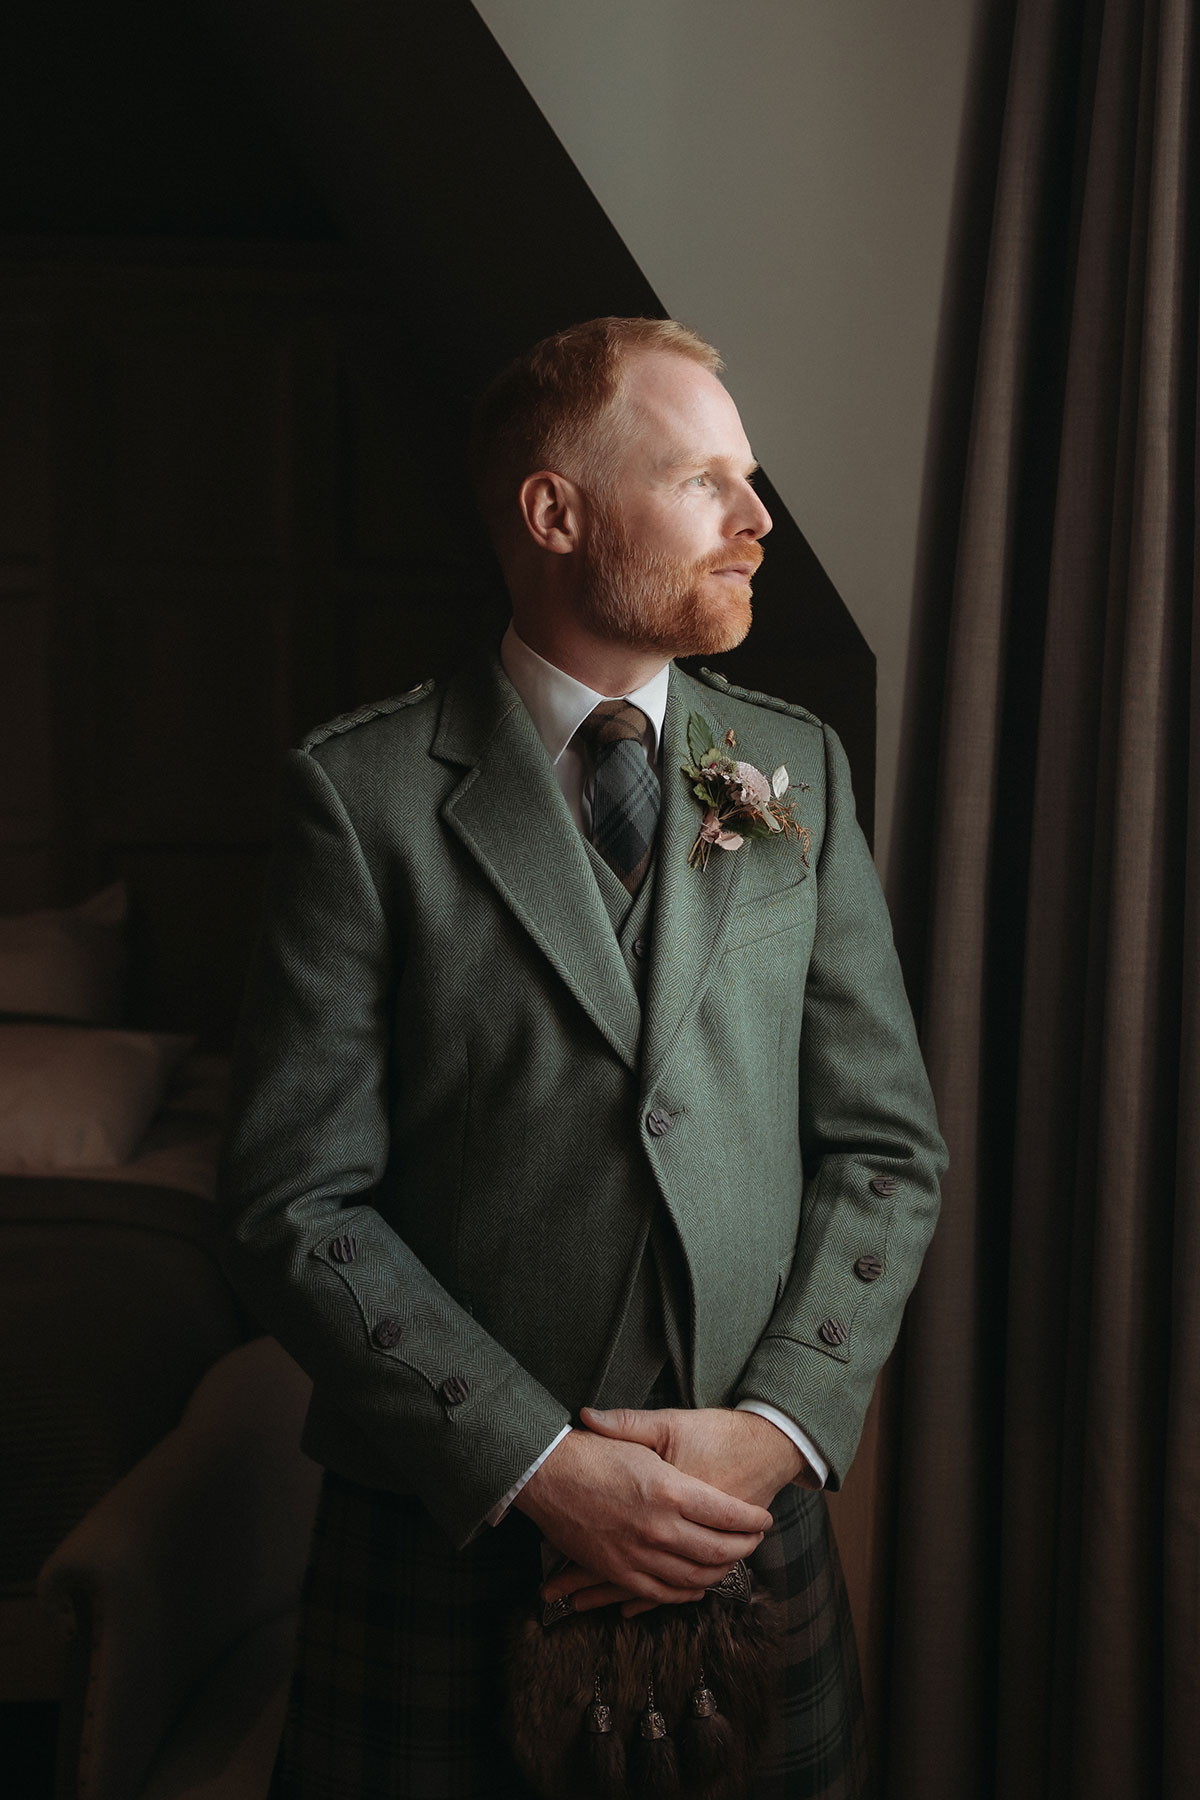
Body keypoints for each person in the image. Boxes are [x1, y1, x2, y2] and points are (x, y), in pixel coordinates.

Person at [218, 315, 946, 1800]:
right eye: (703, 483)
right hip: (455, 1533)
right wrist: (539, 1465)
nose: (757, 523)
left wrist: (779, 1429)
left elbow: (887, 1150)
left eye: (751, 483)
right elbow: (295, 1202)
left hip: (746, 1522)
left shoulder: (790, 770)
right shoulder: (360, 797)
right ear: (556, 513)